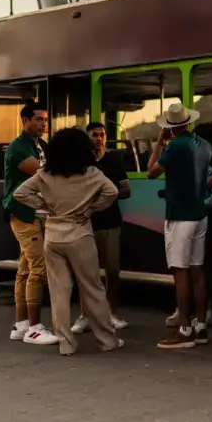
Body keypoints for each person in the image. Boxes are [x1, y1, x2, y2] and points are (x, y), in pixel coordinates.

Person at [14, 128, 124, 356]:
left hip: (53, 235)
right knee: (92, 288)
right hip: (80, 234)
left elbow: (20, 194)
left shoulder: (44, 174)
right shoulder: (91, 173)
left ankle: (66, 343)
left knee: (59, 291)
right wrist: (91, 209)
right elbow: (112, 192)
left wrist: (45, 206)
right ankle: (107, 340)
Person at [147, 102, 212, 349]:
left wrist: (158, 143)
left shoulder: (174, 147)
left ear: (170, 127)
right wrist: (203, 187)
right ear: (189, 122)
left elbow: (151, 172)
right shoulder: (204, 144)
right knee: (197, 271)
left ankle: (184, 331)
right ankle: (200, 327)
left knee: (180, 272)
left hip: (179, 217)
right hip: (200, 215)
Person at [3, 101, 58, 346]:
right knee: (39, 267)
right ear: (25, 120)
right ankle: (35, 329)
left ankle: (21, 325)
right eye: (38, 119)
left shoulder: (40, 145)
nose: (43, 124)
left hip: (37, 214)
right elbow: (42, 175)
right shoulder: (18, 147)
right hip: (24, 215)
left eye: (45, 120)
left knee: (25, 269)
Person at [165, 121, 212, 329]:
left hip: (201, 216)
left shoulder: (209, 162)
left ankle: (200, 314)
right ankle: (192, 312)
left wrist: (194, 201)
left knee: (198, 267)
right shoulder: (201, 160)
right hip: (199, 215)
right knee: (194, 267)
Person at [71, 122, 131, 335]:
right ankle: (85, 315)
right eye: (94, 135)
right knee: (86, 273)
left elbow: (126, 190)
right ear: (87, 138)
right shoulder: (80, 162)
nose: (98, 139)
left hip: (110, 223)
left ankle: (112, 313)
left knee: (112, 271)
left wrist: (106, 195)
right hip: (86, 224)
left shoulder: (114, 160)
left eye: (102, 135)